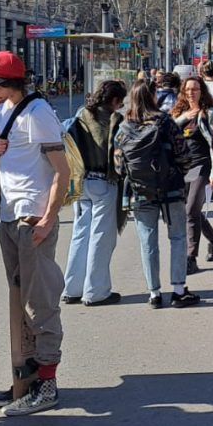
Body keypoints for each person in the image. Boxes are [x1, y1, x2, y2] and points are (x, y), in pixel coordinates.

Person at [0, 51, 68, 416]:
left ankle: (47, 384)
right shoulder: (7, 111)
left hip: (32, 218)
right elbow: (5, 165)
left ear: (8, 83)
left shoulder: (38, 112)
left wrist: (47, 218)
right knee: (22, 303)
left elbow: (62, 171)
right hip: (10, 216)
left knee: (40, 302)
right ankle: (26, 380)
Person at [115, 80, 203, 308]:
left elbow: (119, 165)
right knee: (178, 238)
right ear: (153, 96)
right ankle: (178, 290)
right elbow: (184, 154)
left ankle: (154, 293)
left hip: (140, 191)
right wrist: (177, 173)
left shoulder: (124, 127)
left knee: (147, 242)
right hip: (171, 188)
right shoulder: (164, 122)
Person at [62, 80, 127, 307]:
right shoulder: (114, 120)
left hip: (81, 181)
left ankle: (72, 288)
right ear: (115, 101)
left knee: (80, 235)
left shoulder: (82, 113)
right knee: (101, 237)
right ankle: (95, 291)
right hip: (103, 182)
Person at [171, 76, 213, 275]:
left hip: (202, 167)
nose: (191, 93)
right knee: (191, 211)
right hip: (182, 169)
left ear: (202, 91)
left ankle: (190, 257)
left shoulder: (209, 114)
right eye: (187, 90)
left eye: (195, 89)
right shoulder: (179, 114)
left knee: (191, 210)